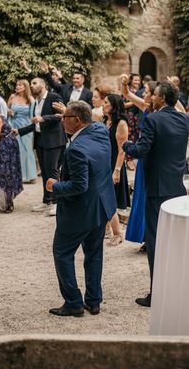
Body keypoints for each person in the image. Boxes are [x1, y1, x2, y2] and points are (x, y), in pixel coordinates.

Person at [123, 81, 189, 308]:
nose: (150, 98)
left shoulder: (152, 119)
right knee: (177, 241)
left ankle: (158, 294)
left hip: (158, 188)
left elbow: (142, 150)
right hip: (179, 187)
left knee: (155, 241)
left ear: (161, 99)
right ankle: (181, 288)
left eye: (154, 96)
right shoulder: (185, 119)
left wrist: (125, 145)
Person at [46, 101, 116, 317]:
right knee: (94, 253)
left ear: (76, 121)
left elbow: (78, 185)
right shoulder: (100, 130)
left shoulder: (76, 149)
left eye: (65, 117)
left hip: (81, 211)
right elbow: (90, 117)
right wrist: (69, 109)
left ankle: (74, 302)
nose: (61, 120)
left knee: (62, 252)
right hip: (102, 206)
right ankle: (94, 301)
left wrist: (54, 185)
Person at [16, 78, 65, 215]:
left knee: (52, 172)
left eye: (34, 83)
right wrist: (19, 131)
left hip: (54, 141)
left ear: (43, 84)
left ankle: (57, 203)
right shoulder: (36, 102)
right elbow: (36, 124)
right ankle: (47, 200)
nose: (31, 86)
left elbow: (61, 115)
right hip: (41, 141)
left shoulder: (54, 96)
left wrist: (43, 118)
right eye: (31, 84)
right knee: (44, 173)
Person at [121, 79, 157, 250]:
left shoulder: (160, 112)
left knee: (148, 195)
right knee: (141, 196)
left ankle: (150, 237)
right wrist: (124, 84)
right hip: (143, 156)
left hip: (152, 155)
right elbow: (127, 94)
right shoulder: (146, 107)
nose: (143, 93)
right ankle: (144, 236)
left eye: (147, 91)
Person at [102, 94, 128, 247]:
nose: (103, 104)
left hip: (114, 164)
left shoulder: (121, 123)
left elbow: (122, 150)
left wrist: (117, 170)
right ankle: (106, 230)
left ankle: (118, 233)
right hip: (104, 163)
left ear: (114, 105)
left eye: (106, 102)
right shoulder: (106, 121)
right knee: (103, 197)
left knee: (109, 199)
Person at [7, 80, 37, 183]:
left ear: (25, 87)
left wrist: (32, 128)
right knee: (15, 150)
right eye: (17, 85)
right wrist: (9, 111)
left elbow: (32, 116)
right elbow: (7, 109)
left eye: (20, 85)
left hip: (26, 127)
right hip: (13, 125)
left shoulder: (30, 99)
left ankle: (30, 175)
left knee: (27, 150)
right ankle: (16, 175)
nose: (17, 86)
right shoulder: (12, 97)